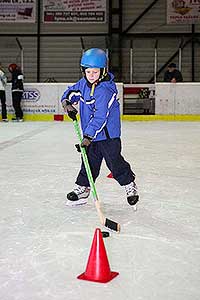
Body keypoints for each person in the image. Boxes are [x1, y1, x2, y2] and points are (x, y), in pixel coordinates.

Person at [61, 48, 139, 207]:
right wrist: (67, 103)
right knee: (88, 162)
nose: (91, 75)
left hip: (108, 135)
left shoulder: (106, 90)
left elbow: (100, 116)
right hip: (91, 134)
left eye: (95, 72)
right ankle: (83, 188)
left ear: (103, 71)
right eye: (88, 71)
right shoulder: (83, 84)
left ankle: (129, 185)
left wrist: (88, 136)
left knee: (114, 162)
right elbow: (70, 93)